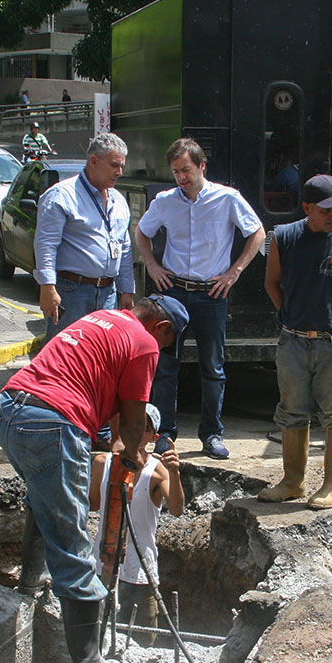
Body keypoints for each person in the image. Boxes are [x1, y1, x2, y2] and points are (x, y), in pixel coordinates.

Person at [0, 295, 189, 663]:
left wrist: (118, 444)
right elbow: (133, 422)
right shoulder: (145, 343)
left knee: (43, 495)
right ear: (162, 329)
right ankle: (88, 660)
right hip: (54, 422)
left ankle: (32, 580)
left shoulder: (104, 318)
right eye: (167, 344)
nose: (162, 351)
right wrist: (131, 453)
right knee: (72, 537)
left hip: (12, 409)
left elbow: (110, 404)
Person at [135, 137, 265, 459]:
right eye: (176, 171)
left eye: (186, 170)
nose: (181, 177)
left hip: (211, 292)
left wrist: (234, 273)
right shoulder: (165, 201)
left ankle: (211, 434)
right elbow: (141, 232)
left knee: (213, 367)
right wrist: (152, 265)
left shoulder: (227, 199)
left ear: (202, 166)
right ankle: (165, 433)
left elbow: (258, 233)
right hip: (174, 292)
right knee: (166, 366)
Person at [258, 174, 332, 509]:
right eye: (326, 209)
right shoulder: (284, 238)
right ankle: (292, 482)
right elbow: (272, 283)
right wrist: (291, 317)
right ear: (307, 208)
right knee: (291, 412)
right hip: (293, 343)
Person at [90, 402, 184, 644]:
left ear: (153, 437)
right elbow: (92, 504)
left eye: (143, 427)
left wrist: (174, 473)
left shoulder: (157, 471)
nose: (135, 431)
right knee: (98, 633)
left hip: (141, 571)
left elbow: (176, 509)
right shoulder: (102, 463)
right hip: (103, 567)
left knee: (144, 641)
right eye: (131, 424)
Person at [34, 132, 134, 342]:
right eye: (114, 165)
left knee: (99, 358)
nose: (119, 172)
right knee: (65, 358)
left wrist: (127, 291)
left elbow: (124, 248)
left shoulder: (118, 200)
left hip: (108, 292)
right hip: (72, 293)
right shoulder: (62, 195)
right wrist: (47, 287)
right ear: (94, 161)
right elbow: (46, 245)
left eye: (122, 166)